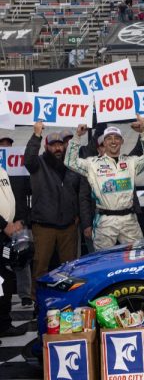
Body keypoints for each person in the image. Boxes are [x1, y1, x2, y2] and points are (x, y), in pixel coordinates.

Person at [65, 121, 144, 250]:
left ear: (122, 141)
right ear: (104, 143)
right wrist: (77, 136)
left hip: (129, 220)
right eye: (109, 138)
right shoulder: (93, 164)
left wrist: (143, 133)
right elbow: (70, 161)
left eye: (116, 138)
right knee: (102, 260)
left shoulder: (130, 162)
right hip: (105, 221)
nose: (113, 141)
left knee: (136, 256)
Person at [25, 125, 84, 299]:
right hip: (43, 226)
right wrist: (36, 135)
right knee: (40, 266)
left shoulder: (70, 164)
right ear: (46, 146)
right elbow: (28, 159)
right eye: (53, 145)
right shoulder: (38, 164)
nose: (58, 148)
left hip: (68, 226)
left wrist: (77, 214)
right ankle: (38, 301)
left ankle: (68, 300)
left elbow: (79, 192)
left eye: (60, 145)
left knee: (69, 267)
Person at [0, 136, 32, 307]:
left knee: (22, 257)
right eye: (2, 146)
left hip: (19, 223)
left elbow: (31, 195)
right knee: (3, 264)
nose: (6, 148)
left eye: (9, 146)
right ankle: (4, 297)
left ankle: (25, 294)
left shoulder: (20, 171)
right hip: (2, 227)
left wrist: (24, 220)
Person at [0, 165, 26, 338]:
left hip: (5, 235)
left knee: (6, 279)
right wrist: (4, 225)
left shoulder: (2, 170)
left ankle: (4, 323)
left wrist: (17, 221)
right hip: (2, 230)